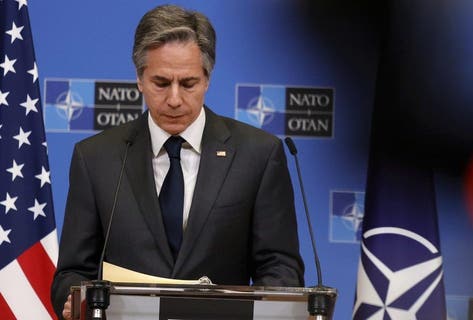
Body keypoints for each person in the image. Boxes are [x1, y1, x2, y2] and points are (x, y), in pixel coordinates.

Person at [51, 4, 304, 319]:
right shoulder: (96, 158)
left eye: (187, 83)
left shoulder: (258, 154)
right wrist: (74, 301)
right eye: (160, 83)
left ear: (207, 79)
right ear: (140, 79)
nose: (173, 99)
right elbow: (72, 274)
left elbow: (280, 267)